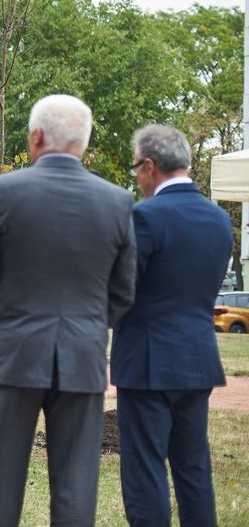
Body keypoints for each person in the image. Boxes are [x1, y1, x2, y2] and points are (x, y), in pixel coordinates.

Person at [0, 94, 136, 527]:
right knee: (77, 489)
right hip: (82, 354)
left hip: (13, 354)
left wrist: (2, 329)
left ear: (35, 136)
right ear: (84, 143)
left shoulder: (3, 191)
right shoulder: (117, 200)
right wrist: (89, 327)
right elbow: (124, 290)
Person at [113, 125, 231, 527]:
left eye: (136, 169)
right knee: (194, 470)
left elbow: (122, 290)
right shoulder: (218, 220)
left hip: (148, 362)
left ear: (150, 165)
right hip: (197, 358)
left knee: (145, 471)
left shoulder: (144, 216)